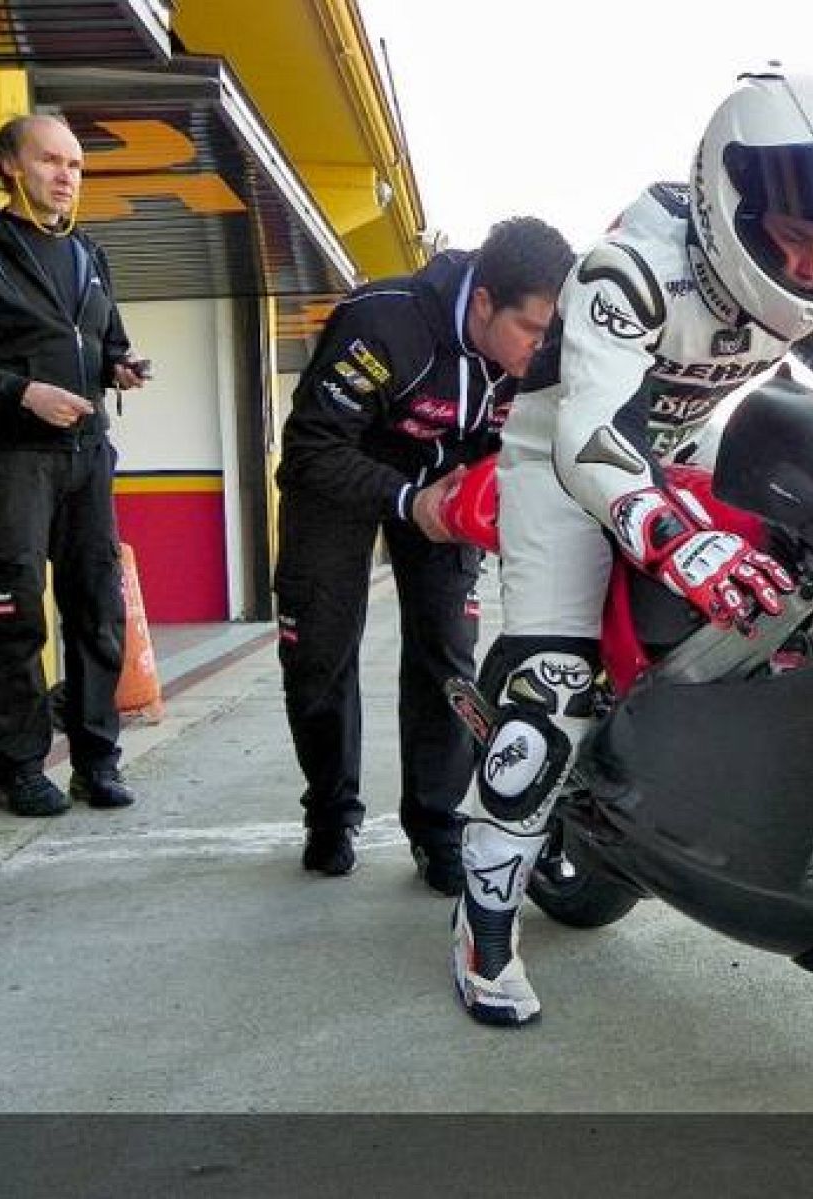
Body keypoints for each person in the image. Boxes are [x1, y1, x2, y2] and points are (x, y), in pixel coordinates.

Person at [452, 67, 813, 1025]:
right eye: (795, 236)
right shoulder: (632, 264)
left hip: (684, 450)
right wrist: (678, 540)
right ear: (730, 205)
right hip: (565, 461)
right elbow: (589, 437)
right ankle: (483, 927)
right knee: (552, 689)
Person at [275, 216, 574, 894]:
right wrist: (409, 498)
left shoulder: (547, 351)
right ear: (482, 302)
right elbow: (312, 449)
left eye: (552, 334)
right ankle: (329, 812)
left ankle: (438, 828)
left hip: (450, 494)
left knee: (447, 655)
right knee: (318, 653)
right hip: (339, 482)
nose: (541, 348)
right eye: (530, 330)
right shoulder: (384, 322)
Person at [0, 113, 150, 818]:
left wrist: (119, 366)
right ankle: (21, 764)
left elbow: (106, 336)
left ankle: (97, 760)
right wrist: (23, 392)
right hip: (15, 459)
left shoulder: (90, 253)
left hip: (89, 456)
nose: (66, 177)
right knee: (14, 612)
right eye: (51, 161)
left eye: (76, 166)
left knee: (98, 609)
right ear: (10, 167)